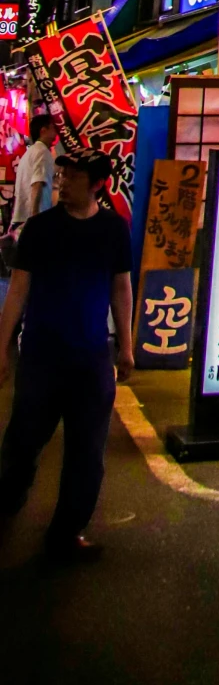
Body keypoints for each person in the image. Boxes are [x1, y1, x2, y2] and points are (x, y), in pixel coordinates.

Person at [0, 151, 133, 561]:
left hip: (92, 356)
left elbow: (121, 289)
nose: (63, 181)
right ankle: (6, 505)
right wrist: (2, 347)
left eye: (73, 176)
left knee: (87, 452)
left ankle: (67, 532)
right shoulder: (40, 229)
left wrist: (125, 346)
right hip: (41, 354)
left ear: (97, 184)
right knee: (22, 443)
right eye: (62, 174)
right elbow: (18, 289)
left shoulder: (113, 230)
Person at [8, 114, 58, 231]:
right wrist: (35, 218)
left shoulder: (29, 153)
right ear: (43, 130)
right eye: (53, 127)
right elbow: (37, 183)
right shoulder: (42, 152)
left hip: (21, 217)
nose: (56, 133)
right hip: (33, 218)